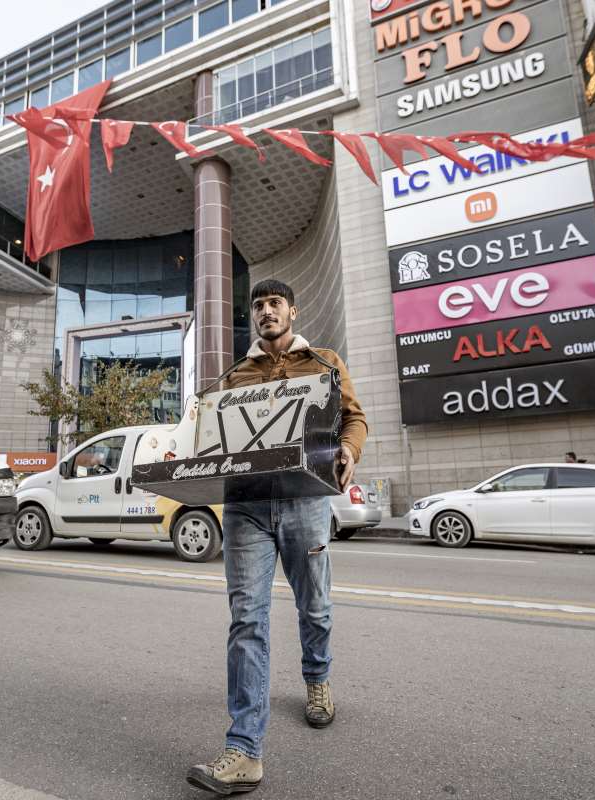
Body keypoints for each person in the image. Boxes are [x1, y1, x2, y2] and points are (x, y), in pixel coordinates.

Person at [187, 279, 368, 796]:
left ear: (292, 309)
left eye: (274, 304)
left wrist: (349, 450)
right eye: (258, 306)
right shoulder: (235, 374)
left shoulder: (326, 361)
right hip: (245, 504)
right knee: (247, 618)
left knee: (315, 607)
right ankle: (244, 750)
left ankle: (317, 680)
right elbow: (216, 436)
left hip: (306, 502)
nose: (266, 312)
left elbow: (353, 419)